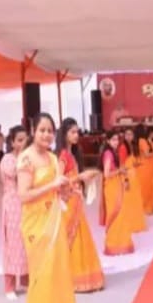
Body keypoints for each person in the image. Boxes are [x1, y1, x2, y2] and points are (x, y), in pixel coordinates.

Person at [17, 112, 80, 303]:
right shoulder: (26, 159)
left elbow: (58, 191)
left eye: (50, 131)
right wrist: (52, 185)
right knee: (42, 274)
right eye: (42, 130)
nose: (46, 135)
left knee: (58, 271)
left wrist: (68, 190)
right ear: (33, 131)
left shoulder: (53, 159)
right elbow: (23, 195)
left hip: (54, 221)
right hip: (36, 224)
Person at [56, 117, 105, 293]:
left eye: (77, 132)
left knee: (80, 238)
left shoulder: (72, 154)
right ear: (65, 134)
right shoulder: (63, 156)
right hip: (69, 202)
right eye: (72, 132)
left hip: (75, 201)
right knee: (73, 238)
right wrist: (80, 177)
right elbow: (58, 181)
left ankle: (81, 277)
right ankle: (71, 278)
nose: (76, 135)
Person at [0, 125, 30, 299]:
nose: (23, 143)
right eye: (19, 140)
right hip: (12, 205)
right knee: (12, 244)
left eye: (25, 139)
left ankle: (26, 280)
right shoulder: (8, 159)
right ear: (12, 142)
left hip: (27, 203)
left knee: (27, 240)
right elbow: (16, 173)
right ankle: (9, 286)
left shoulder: (27, 157)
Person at [100, 131, 134, 255]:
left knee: (120, 214)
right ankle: (114, 243)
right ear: (108, 141)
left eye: (117, 139)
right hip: (112, 187)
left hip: (115, 185)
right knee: (115, 213)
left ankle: (120, 242)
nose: (116, 142)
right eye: (113, 140)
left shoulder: (112, 152)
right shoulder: (108, 153)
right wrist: (120, 171)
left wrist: (121, 173)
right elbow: (106, 174)